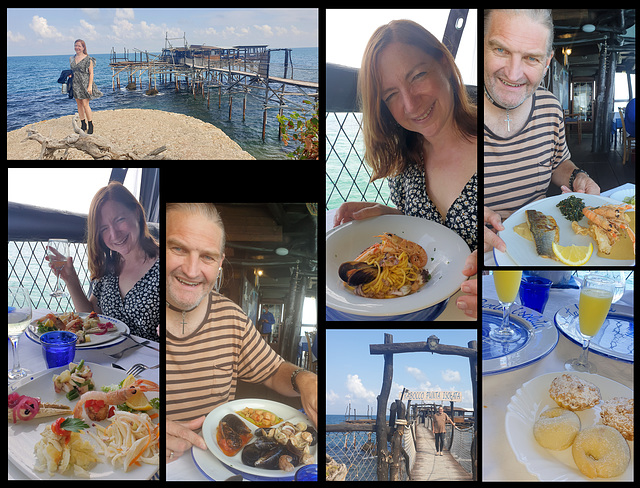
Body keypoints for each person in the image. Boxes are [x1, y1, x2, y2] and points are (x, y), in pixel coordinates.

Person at [165, 203, 317, 463]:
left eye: (207, 257)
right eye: (178, 248)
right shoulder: (138, 312)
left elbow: (272, 370)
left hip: (219, 461)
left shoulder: (233, 318)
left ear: (220, 262)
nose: (191, 271)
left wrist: (304, 379)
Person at [334, 19, 477, 252]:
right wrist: (390, 215)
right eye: (391, 94)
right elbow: (428, 230)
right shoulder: (403, 164)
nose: (411, 105)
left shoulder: (497, 140)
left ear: (444, 64)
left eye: (417, 76)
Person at [483, 9, 600, 238]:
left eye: (531, 58)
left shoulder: (550, 105)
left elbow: (558, 162)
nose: (514, 74)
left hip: (541, 235)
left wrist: (578, 177)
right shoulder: (461, 112)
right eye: (500, 50)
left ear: (546, 62)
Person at [48, 181, 160, 341]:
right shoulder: (109, 267)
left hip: (150, 364)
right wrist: (70, 279)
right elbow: (92, 315)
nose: (114, 235)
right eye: (104, 228)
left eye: (119, 220)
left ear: (136, 212)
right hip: (109, 361)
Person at [70, 39, 103, 134]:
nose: (77, 47)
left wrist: (90, 86)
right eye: (76, 45)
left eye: (79, 46)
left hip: (85, 83)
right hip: (75, 83)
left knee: (85, 104)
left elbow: (91, 73)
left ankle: (90, 124)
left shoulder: (88, 59)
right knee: (79, 104)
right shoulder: (72, 58)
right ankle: (83, 123)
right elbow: (73, 71)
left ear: (83, 47)